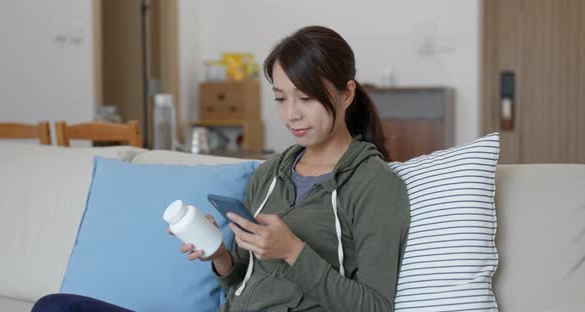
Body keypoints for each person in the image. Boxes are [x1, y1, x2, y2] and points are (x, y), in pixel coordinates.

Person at [31, 25, 410, 312]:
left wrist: (293, 251)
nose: (291, 114)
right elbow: (241, 279)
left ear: (346, 93)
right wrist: (220, 256)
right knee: (57, 306)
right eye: (280, 98)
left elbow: (376, 305)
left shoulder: (376, 185)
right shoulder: (269, 176)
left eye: (306, 98)